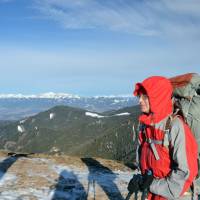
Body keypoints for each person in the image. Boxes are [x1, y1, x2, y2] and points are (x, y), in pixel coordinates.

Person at [128, 76, 198, 200]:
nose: (140, 101)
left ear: (157, 97)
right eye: (140, 96)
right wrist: (140, 181)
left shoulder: (176, 127)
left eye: (145, 97)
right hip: (152, 195)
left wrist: (152, 185)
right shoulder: (146, 126)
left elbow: (185, 173)